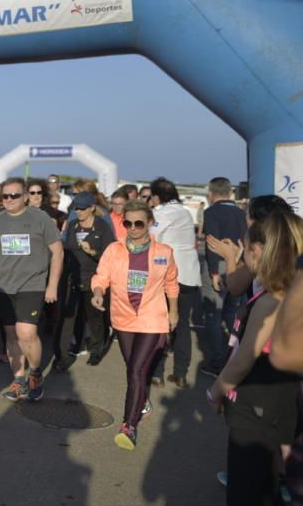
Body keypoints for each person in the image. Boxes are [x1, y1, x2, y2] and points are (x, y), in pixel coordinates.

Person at [207, 211, 303, 506]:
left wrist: (216, 391)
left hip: (257, 406)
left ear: (258, 251)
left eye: (245, 247)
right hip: (271, 404)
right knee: (265, 488)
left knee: (246, 496)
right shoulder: (282, 293)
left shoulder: (270, 301)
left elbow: (243, 360)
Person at [91, 199, 179, 450]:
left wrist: (174, 312)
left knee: (136, 371)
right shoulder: (113, 250)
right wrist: (98, 292)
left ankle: (128, 426)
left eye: (139, 223)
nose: (133, 227)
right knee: (133, 367)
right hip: (123, 317)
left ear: (150, 223)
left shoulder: (164, 252)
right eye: (127, 222)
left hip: (153, 318)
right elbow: (101, 276)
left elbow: (172, 284)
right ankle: (143, 400)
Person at [0, 177, 63, 402]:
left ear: (25, 197)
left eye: (15, 195)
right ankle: (19, 380)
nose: (10, 199)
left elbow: (58, 252)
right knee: (12, 336)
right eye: (5, 196)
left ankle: (35, 373)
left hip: (32, 285)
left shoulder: (40, 218)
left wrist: (52, 285)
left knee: (27, 333)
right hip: (3, 287)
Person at [148, 177, 200, 388]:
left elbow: (151, 236)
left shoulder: (163, 212)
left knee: (161, 324)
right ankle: (180, 374)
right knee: (182, 327)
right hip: (189, 275)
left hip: (168, 275)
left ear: (157, 196)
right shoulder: (185, 211)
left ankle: (157, 373)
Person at [56, 192, 115, 371]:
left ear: (92, 208)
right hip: (73, 278)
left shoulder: (102, 227)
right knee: (72, 316)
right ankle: (71, 349)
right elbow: (64, 249)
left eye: (82, 208)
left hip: (95, 279)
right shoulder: (73, 225)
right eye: (76, 208)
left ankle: (97, 350)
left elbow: (110, 256)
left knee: (94, 317)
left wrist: (92, 253)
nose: (79, 211)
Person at [200, 176, 248, 378]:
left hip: (218, 264)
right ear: (230, 192)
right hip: (237, 263)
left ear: (211, 194)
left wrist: (212, 273)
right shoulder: (241, 212)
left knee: (213, 314)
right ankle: (238, 353)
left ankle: (217, 361)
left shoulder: (211, 212)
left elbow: (212, 243)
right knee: (232, 312)